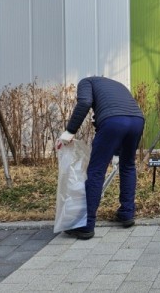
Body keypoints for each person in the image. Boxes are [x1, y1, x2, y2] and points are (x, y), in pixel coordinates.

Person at [56, 76, 145, 240]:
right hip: (137, 120)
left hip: (113, 121)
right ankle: (127, 213)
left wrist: (69, 132)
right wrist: (117, 152)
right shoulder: (117, 84)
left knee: (96, 170)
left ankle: (86, 225)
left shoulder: (86, 82)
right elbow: (121, 112)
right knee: (128, 166)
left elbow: (84, 103)